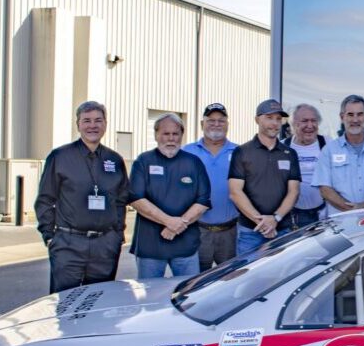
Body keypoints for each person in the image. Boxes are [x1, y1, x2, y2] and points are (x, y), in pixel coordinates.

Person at [35, 101, 129, 293]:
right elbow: (45, 199)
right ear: (78, 124)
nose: (92, 126)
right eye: (86, 121)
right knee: (64, 304)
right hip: (68, 244)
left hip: (105, 246)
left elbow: (120, 200)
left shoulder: (114, 160)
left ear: (105, 124)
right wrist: (50, 236)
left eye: (98, 120)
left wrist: (117, 235)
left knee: (98, 303)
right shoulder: (60, 156)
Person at [129, 113, 211, 278]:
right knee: (150, 297)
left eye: (175, 134)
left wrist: (178, 225)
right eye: (166, 134)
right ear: (156, 135)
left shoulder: (193, 162)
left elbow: (203, 201)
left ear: (182, 135)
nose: (171, 138)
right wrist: (170, 222)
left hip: (186, 246)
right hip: (151, 247)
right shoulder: (143, 161)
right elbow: (136, 199)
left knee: (188, 297)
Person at [228, 99, 302, 256]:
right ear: (257, 120)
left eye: (278, 119)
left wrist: (275, 219)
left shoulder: (290, 154)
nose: (275, 123)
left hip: (282, 230)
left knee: (282, 277)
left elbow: (293, 192)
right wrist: (261, 222)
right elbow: (235, 192)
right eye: (269, 117)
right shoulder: (242, 152)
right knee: (247, 278)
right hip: (250, 232)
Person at [183, 103, 239, 272]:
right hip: (197, 230)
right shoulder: (188, 152)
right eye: (211, 120)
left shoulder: (239, 152)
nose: (216, 124)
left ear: (227, 124)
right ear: (202, 124)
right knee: (196, 283)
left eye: (221, 120)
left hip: (231, 232)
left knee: (231, 280)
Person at [313, 94, 364, 215]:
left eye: (360, 114)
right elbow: (325, 189)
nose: (355, 120)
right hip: (340, 223)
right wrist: (352, 211)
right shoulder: (329, 150)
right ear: (341, 117)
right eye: (350, 114)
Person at [284, 103, 327, 227]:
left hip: (324, 213)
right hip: (292, 216)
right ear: (293, 124)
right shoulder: (283, 147)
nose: (310, 125)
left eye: (314, 121)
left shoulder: (328, 144)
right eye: (304, 121)